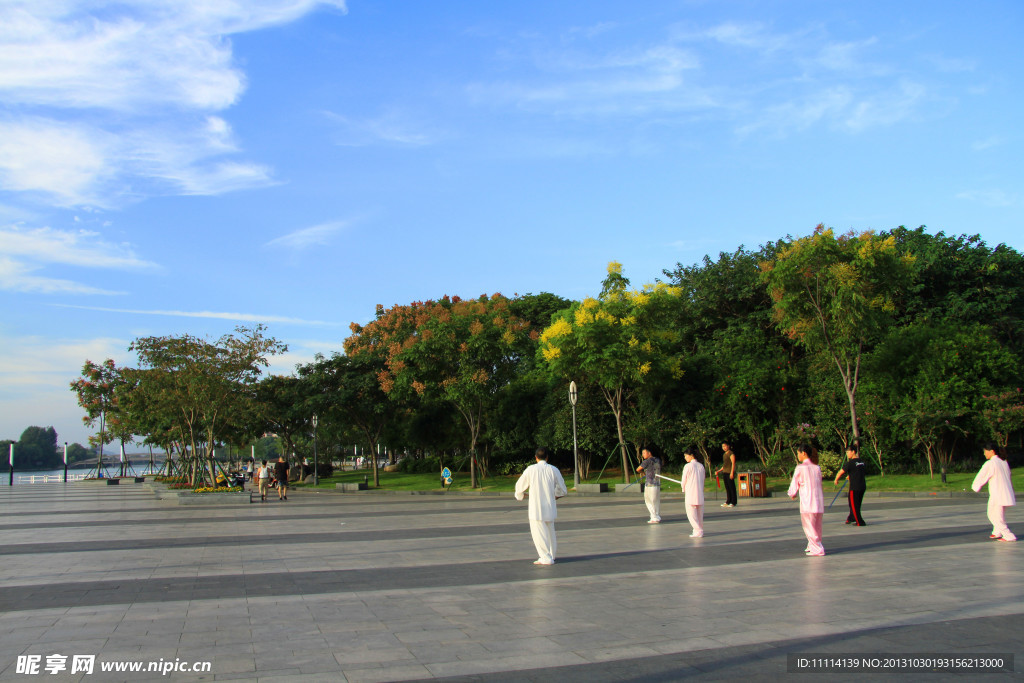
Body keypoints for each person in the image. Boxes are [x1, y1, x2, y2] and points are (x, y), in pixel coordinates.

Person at [514, 446, 567, 565]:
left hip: (536, 507)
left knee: (539, 534)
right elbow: (563, 489)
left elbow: (519, 486)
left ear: (536, 457)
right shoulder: (553, 469)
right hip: (550, 506)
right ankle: (551, 555)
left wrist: (520, 495)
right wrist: (555, 496)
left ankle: (546, 557)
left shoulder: (531, 469)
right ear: (547, 457)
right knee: (550, 531)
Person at [971, 443, 1016, 542]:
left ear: (992, 451)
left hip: (998, 494)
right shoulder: (1003, 462)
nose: (984, 454)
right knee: (999, 514)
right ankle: (997, 532)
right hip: (1006, 493)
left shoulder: (991, 463)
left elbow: (982, 476)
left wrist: (975, 486)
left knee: (993, 515)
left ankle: (1008, 535)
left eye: (985, 451)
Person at [788, 444, 825, 556]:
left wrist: (792, 493)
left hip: (808, 502)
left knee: (809, 526)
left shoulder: (800, 468)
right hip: (818, 501)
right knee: (816, 526)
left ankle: (817, 548)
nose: (798, 455)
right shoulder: (816, 467)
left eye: (798, 453)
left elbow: (795, 482)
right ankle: (812, 544)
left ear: (803, 453)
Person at [834, 444, 867, 526]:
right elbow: (858, 472)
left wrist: (836, 479)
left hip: (854, 487)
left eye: (848, 452)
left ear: (853, 452)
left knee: (853, 505)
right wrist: (850, 475)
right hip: (862, 486)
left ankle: (860, 522)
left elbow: (841, 472)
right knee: (856, 504)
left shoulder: (850, 463)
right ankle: (851, 518)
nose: (847, 454)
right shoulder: (861, 462)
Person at [681, 448, 705, 537]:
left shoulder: (687, 466)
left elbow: (684, 480)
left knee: (692, 514)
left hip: (691, 493)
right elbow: (703, 480)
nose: (685, 458)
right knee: (699, 514)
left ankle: (697, 530)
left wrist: (683, 488)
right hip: (699, 492)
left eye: (685, 456)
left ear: (691, 455)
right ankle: (699, 530)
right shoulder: (701, 466)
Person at [636, 446, 662, 524]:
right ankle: (656, 516)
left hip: (650, 484)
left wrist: (643, 473)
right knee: (656, 501)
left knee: (649, 500)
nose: (643, 455)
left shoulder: (647, 461)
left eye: (644, 453)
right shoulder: (658, 460)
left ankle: (654, 517)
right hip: (657, 483)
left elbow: (638, 469)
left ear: (649, 453)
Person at [716, 441, 738, 507]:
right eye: (723, 446)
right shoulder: (724, 454)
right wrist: (719, 471)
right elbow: (725, 465)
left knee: (732, 487)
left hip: (729, 472)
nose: (724, 448)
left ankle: (733, 502)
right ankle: (728, 501)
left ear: (728, 446)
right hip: (725, 472)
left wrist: (732, 472)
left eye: (725, 446)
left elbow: (733, 463)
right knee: (727, 488)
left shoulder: (731, 454)